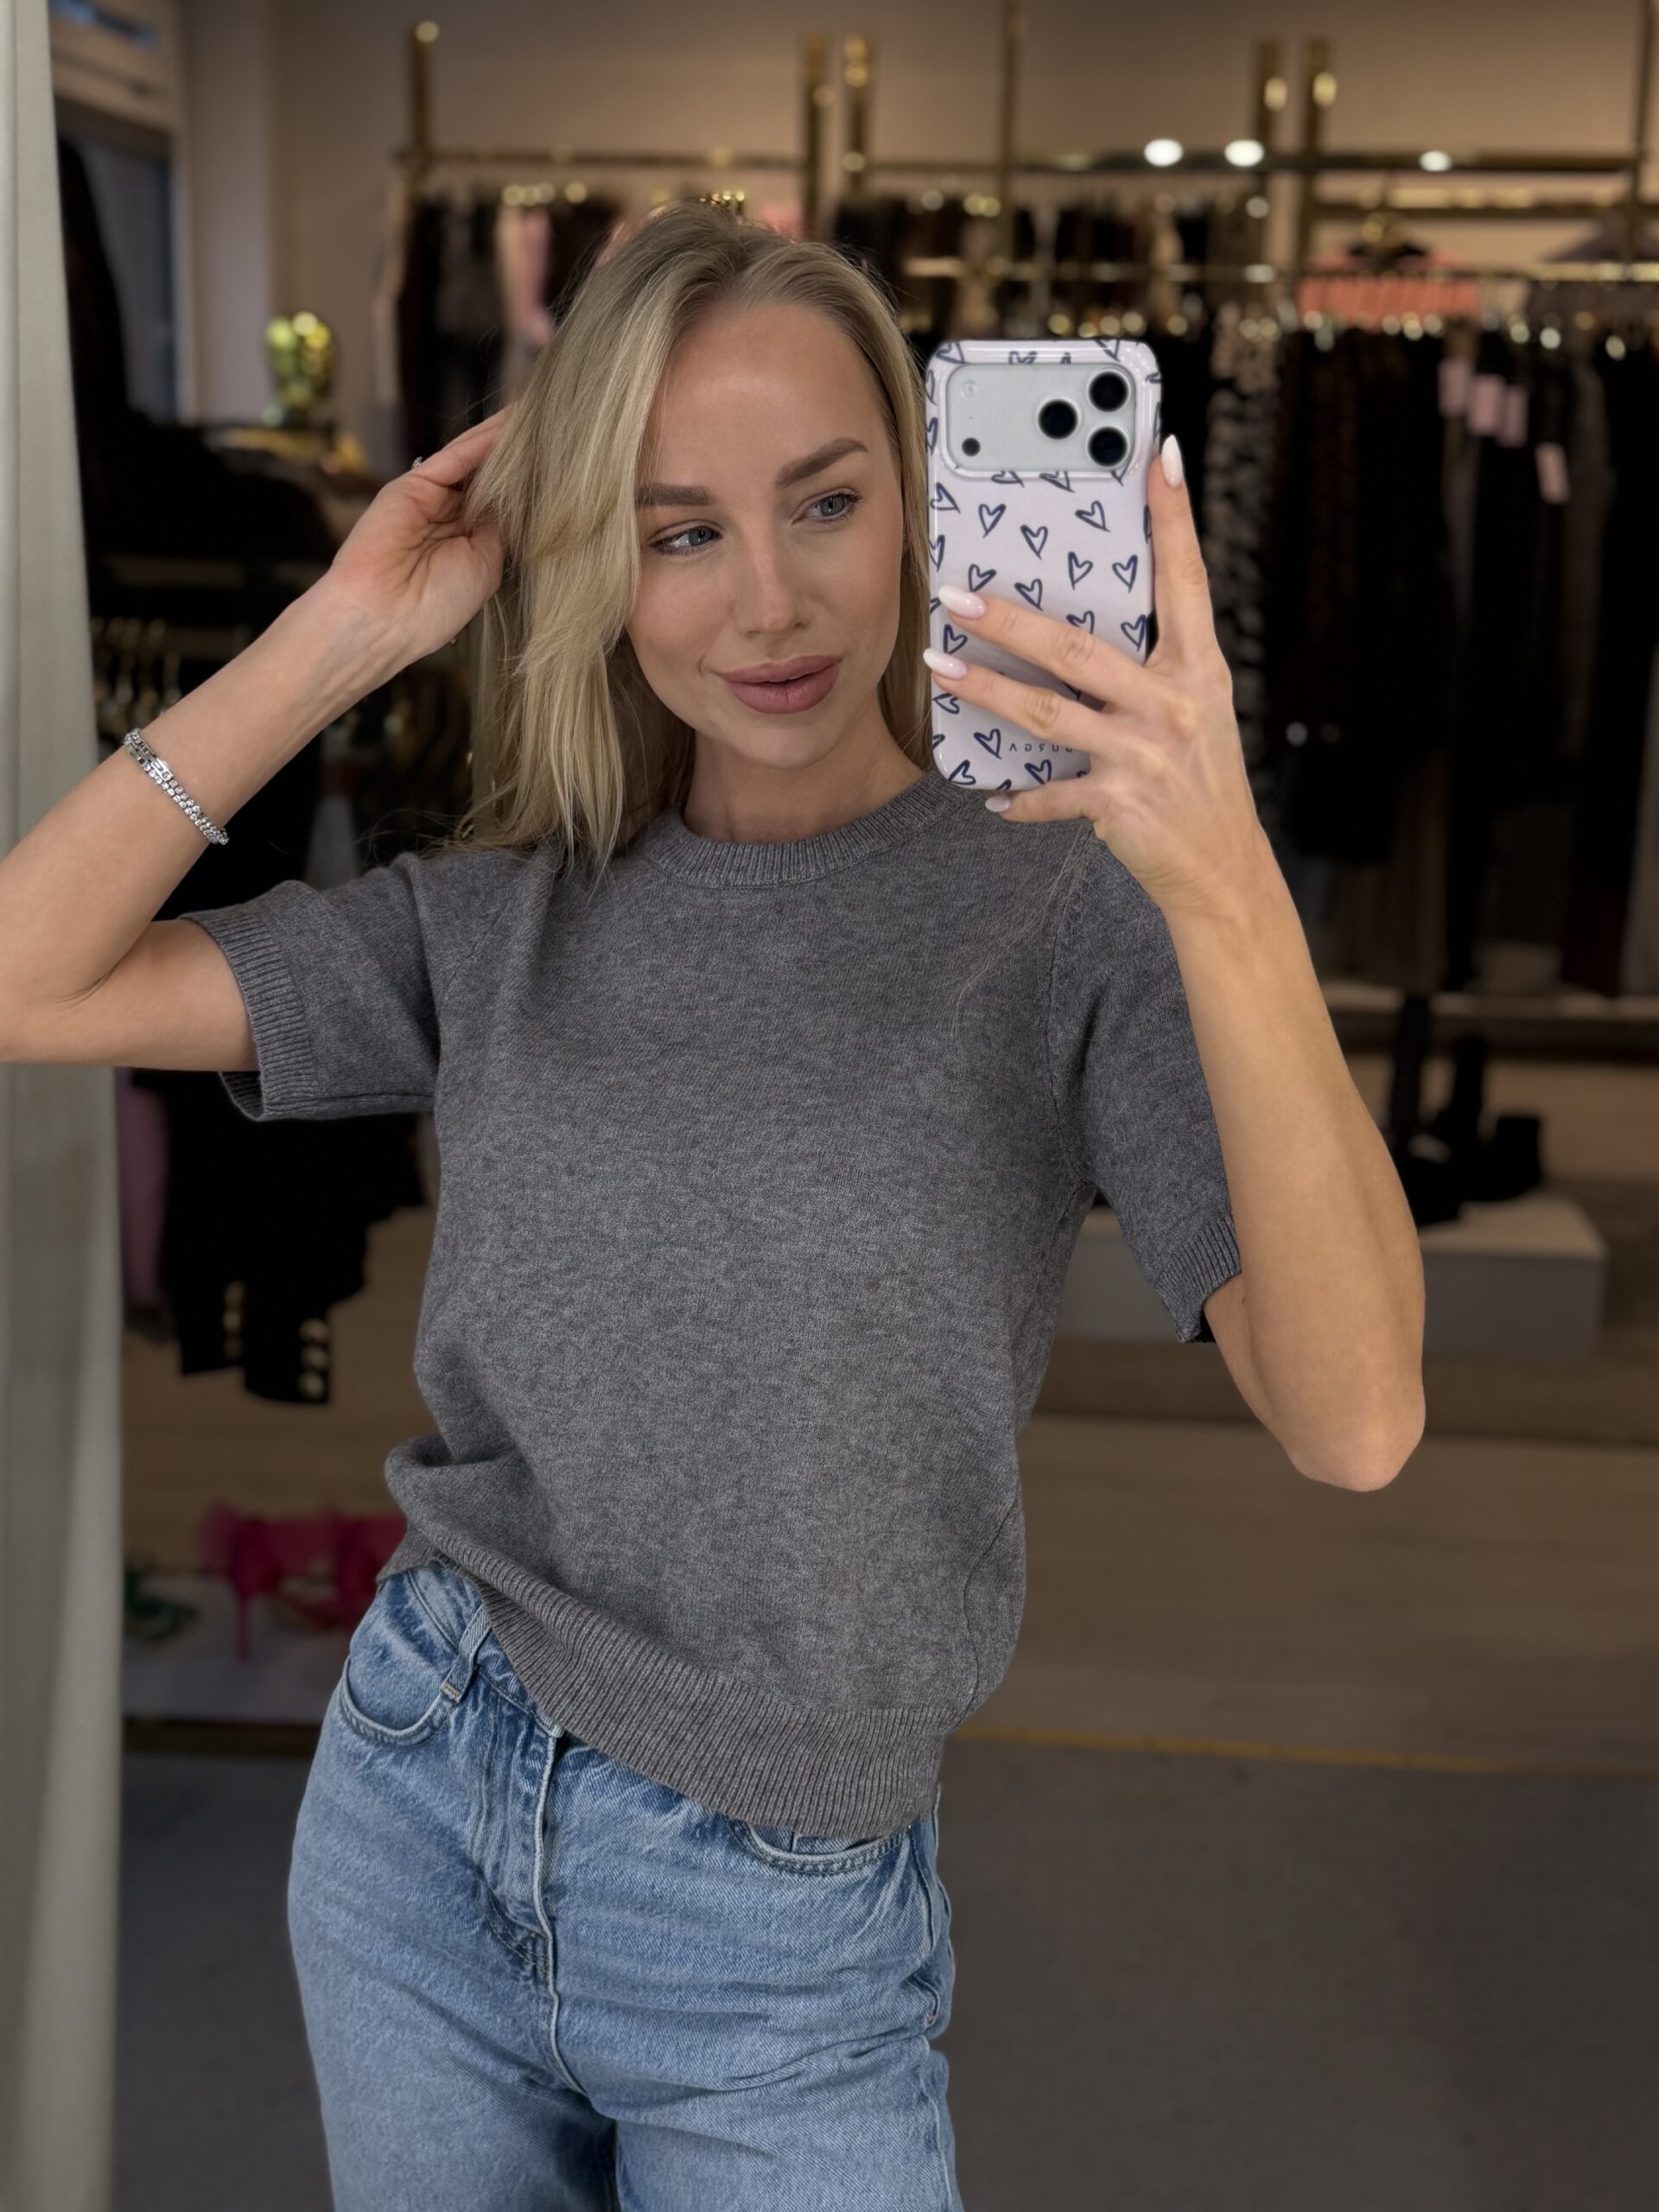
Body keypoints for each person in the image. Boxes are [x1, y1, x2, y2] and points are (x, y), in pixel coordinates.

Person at [0, 202, 1268, 2209]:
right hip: (423, 1795)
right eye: (679, 531)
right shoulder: (506, 915)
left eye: (825, 501)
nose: (769, 600)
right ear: (597, 562)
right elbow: (24, 977)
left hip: (783, 1921)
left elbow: (1356, 1414)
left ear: (919, 497)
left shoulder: (1062, 912)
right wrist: (345, 633)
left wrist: (1228, 866)